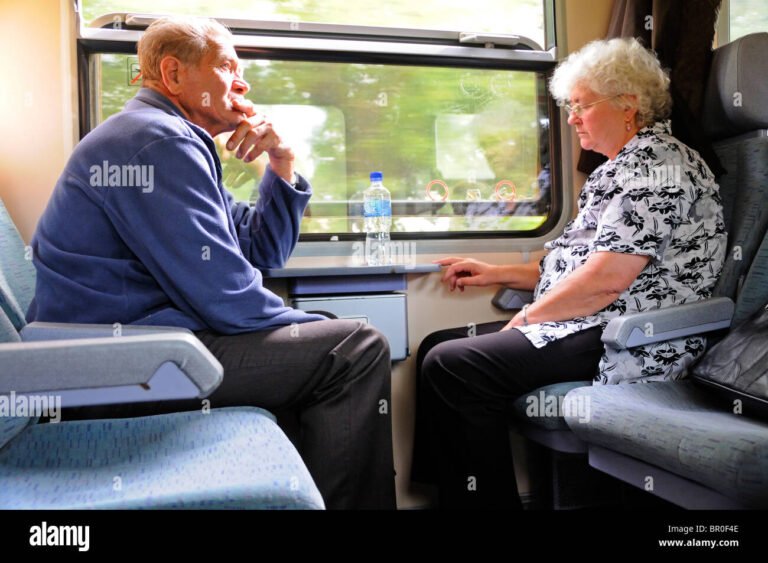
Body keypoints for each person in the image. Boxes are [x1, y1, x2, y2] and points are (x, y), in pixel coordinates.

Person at [27, 16, 395, 510]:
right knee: (355, 348)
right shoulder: (157, 142)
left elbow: (260, 250)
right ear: (174, 75)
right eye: (226, 66)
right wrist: (322, 329)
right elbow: (227, 299)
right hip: (114, 363)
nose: (242, 83)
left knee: (329, 336)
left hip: (144, 344)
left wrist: (281, 163)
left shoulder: (173, 138)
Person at [411, 37, 727, 509]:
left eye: (581, 106)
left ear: (628, 105)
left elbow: (607, 279)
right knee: (436, 347)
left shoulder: (657, 166)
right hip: (592, 318)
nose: (571, 117)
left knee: (455, 366)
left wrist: (532, 315)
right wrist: (495, 273)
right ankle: (455, 496)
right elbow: (574, 261)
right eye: (569, 106)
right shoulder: (615, 169)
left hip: (632, 334)